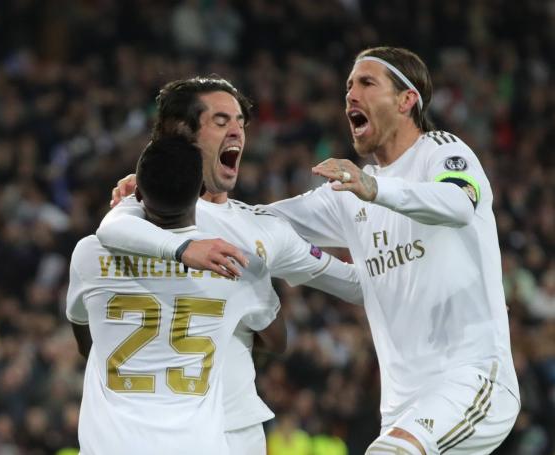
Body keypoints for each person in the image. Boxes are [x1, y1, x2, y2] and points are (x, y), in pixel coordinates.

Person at [264, 46, 520, 454]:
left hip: (473, 379)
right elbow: (262, 220)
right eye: (348, 85)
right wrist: (166, 200)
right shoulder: (350, 194)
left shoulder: (442, 151)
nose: (350, 94)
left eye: (366, 83)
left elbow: (457, 203)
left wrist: (374, 189)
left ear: (407, 100)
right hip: (402, 407)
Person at [100, 76, 362, 454]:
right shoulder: (147, 209)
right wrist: (187, 248)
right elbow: (112, 228)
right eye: (221, 122)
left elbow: (357, 286)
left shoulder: (263, 230)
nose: (237, 131)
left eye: (241, 122)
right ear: (181, 131)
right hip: (152, 432)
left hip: (232, 433)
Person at [66, 135, 283, 454]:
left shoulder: (88, 254)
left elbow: (86, 344)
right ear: (200, 192)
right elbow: (277, 341)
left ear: (138, 191)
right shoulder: (237, 264)